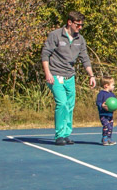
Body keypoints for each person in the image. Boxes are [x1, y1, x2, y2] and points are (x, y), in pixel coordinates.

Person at [41, 11, 95, 145]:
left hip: (69, 76)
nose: (80, 28)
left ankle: (66, 134)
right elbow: (45, 55)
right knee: (62, 103)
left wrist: (91, 75)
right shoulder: (56, 35)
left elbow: (85, 59)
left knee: (70, 105)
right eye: (78, 25)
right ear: (69, 22)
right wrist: (47, 73)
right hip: (55, 74)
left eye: (82, 25)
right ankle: (59, 135)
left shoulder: (80, 40)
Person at [95, 76, 117, 146]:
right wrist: (101, 105)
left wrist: (115, 106)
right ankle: (104, 138)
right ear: (106, 85)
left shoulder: (112, 95)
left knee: (110, 127)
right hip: (103, 114)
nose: (114, 87)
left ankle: (109, 138)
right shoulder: (101, 94)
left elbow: (115, 102)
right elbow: (98, 102)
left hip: (110, 114)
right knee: (106, 126)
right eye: (112, 85)